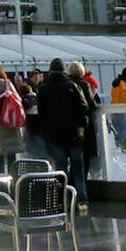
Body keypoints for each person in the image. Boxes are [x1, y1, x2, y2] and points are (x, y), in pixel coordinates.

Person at [36, 59, 90, 212]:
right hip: (74, 135)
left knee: (60, 170)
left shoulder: (44, 88)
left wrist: (46, 133)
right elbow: (83, 107)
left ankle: (62, 200)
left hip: (54, 136)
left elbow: (42, 114)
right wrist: (82, 127)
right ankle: (82, 201)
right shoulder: (73, 86)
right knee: (78, 169)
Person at [69, 62, 99, 178]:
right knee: (84, 158)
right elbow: (92, 105)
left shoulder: (66, 84)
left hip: (68, 128)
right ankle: (81, 189)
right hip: (83, 127)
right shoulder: (84, 85)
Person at [110, 68, 126, 151]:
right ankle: (122, 143)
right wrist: (116, 109)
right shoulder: (118, 83)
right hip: (121, 110)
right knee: (122, 128)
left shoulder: (125, 83)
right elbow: (115, 97)